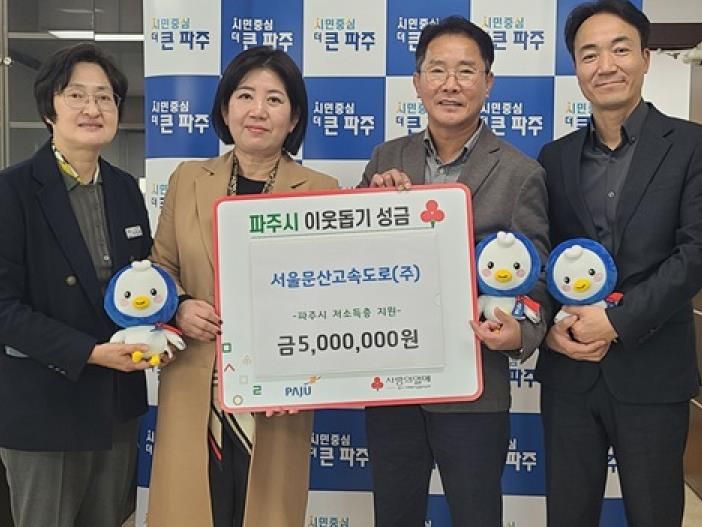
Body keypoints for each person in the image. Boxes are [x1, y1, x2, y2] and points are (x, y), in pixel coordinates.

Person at [358, 16, 550, 527]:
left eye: (466, 71)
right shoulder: (386, 158)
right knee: (393, 514)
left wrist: (520, 332)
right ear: (417, 81)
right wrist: (369, 203)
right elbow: (355, 255)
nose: (450, 84)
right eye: (437, 70)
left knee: (476, 513)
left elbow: (534, 278)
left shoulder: (520, 172)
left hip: (473, 386)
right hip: (393, 380)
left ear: (488, 82)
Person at [147, 46, 339, 527]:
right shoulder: (188, 179)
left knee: (265, 511)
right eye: (245, 95)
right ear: (225, 107)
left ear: (294, 118)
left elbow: (330, 293)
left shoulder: (322, 189)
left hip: (279, 389)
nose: (258, 110)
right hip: (195, 377)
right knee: (193, 508)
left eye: (274, 100)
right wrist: (180, 305)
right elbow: (160, 267)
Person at [536, 1, 702, 526]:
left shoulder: (691, 146)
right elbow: (541, 257)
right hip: (570, 370)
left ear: (646, 58)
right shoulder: (554, 158)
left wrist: (616, 320)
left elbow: (695, 252)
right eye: (589, 54)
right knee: (568, 515)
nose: (605, 65)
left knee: (655, 514)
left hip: (653, 371)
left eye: (620, 49)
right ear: (576, 69)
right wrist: (548, 329)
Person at [0, 43, 153, 527]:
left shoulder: (125, 188)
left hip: (115, 404)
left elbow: (143, 283)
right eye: (77, 95)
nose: (93, 108)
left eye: (105, 97)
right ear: (49, 108)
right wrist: (89, 352)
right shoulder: (12, 191)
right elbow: (4, 309)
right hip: (45, 405)